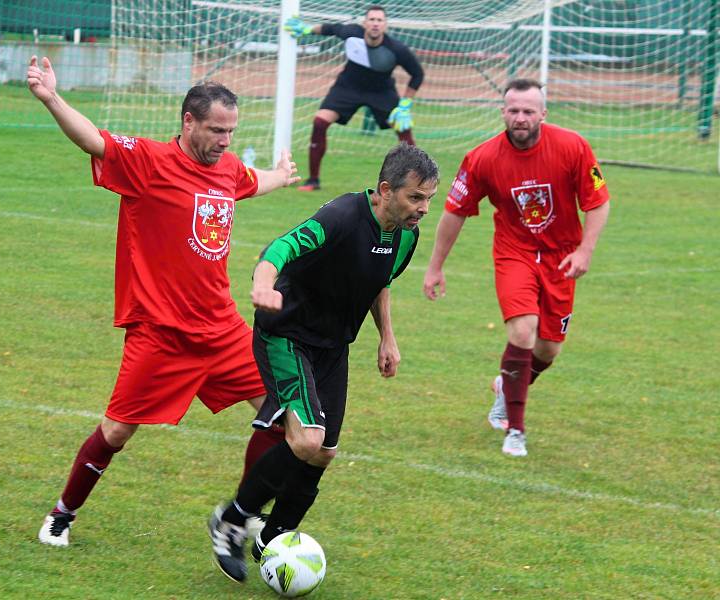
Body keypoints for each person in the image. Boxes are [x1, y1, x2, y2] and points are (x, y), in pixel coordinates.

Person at [27, 55, 300, 547]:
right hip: (161, 334)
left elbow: (253, 181)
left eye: (232, 132)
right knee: (115, 433)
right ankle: (61, 514)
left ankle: (238, 517)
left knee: (284, 419)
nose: (225, 141)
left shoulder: (229, 167)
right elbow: (94, 139)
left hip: (223, 331)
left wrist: (282, 173)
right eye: (217, 130)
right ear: (188, 121)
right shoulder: (148, 162)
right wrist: (51, 98)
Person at [207, 143, 439, 583]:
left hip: (333, 345)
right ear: (386, 190)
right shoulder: (342, 218)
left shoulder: (405, 234)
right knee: (308, 440)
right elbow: (279, 248)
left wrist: (387, 338)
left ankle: (273, 538)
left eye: (429, 198)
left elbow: (379, 282)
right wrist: (263, 285)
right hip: (287, 333)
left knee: (324, 453)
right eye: (415, 197)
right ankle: (233, 520)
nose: (424, 208)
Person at [423, 78, 610, 458]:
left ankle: (506, 385)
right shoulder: (482, 158)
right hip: (515, 253)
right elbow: (453, 213)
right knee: (523, 331)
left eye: (528, 111)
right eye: (513, 110)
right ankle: (516, 430)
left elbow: (598, 202)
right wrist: (435, 267)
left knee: (549, 348)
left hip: (562, 255)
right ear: (502, 112)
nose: (520, 118)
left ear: (543, 113)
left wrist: (585, 252)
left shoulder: (572, 146)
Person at [283, 5, 424, 191]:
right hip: (347, 87)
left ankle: (419, 179)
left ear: (385, 26)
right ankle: (313, 181)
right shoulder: (351, 32)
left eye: (379, 20)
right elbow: (328, 29)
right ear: (365, 23)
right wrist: (307, 29)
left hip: (381, 92)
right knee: (319, 122)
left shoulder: (396, 49)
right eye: (372, 20)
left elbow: (417, 74)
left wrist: (405, 105)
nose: (375, 24)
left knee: (404, 129)